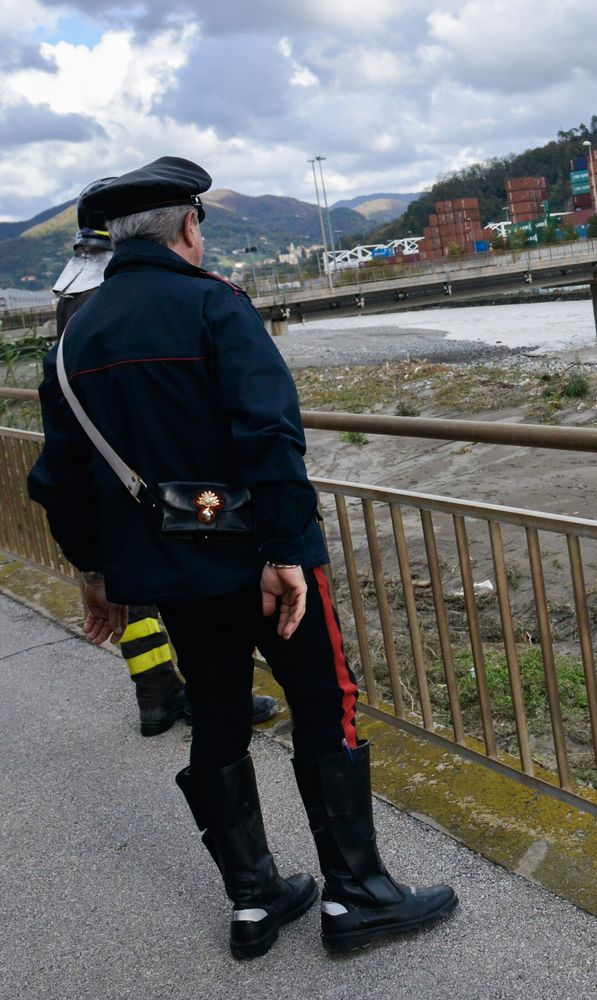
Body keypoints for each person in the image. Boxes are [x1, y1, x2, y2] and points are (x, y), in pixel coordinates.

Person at [27, 156, 456, 959]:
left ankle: (255, 900)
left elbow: (59, 481)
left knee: (218, 718)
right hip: (264, 565)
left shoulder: (72, 339)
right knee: (325, 707)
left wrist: (95, 577)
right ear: (189, 227)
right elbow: (270, 435)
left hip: (175, 581)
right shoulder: (214, 306)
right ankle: (357, 895)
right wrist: (289, 550)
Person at [52, 181, 279, 737]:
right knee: (188, 594)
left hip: (109, 476)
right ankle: (208, 695)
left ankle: (157, 694)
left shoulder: (70, 295)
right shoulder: (126, 295)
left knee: (135, 594)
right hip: (172, 480)